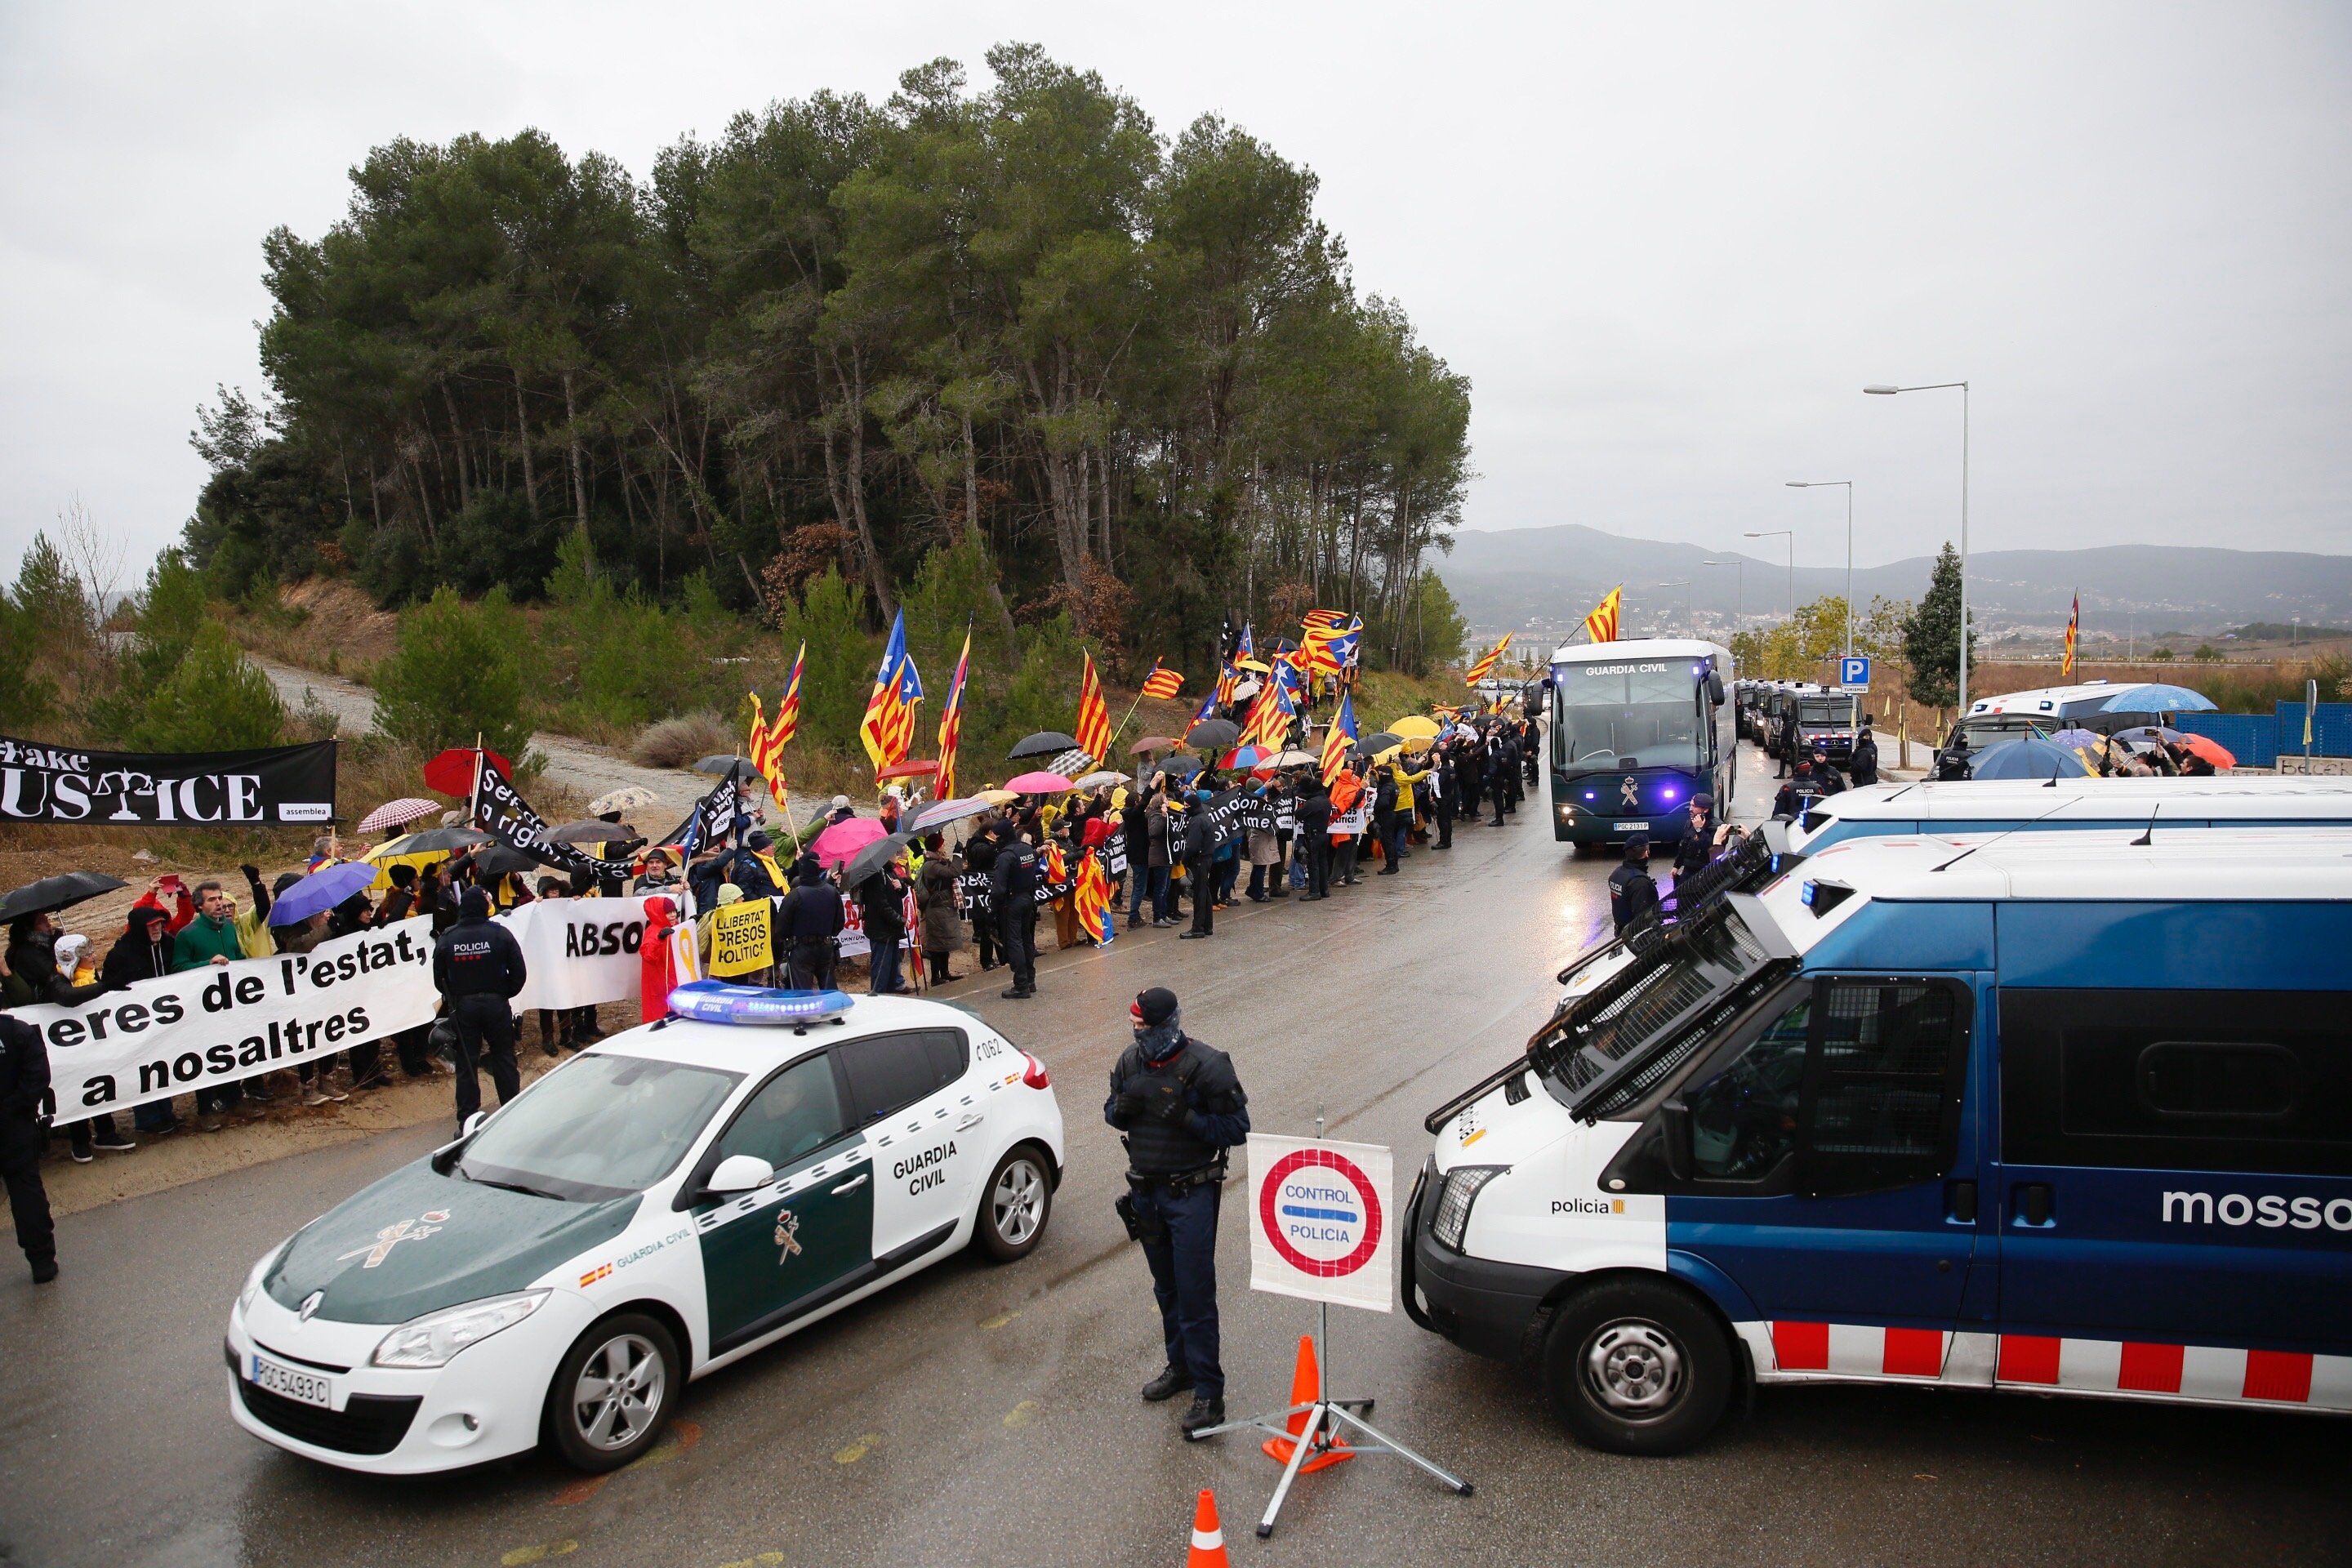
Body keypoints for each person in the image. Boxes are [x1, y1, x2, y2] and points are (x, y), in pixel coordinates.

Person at [1105, 987, 1250, 1437]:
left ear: (1167, 1025)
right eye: (1134, 1026)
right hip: (1147, 1194)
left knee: (1194, 1294)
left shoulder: (1207, 1066)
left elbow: (1238, 1128)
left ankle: (1210, 1393)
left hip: (1191, 1197)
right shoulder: (1130, 1063)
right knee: (1166, 1289)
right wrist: (1118, 1113)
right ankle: (1180, 1366)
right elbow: (1111, 1110)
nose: (1137, 1034)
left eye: (1144, 1027)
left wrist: (1189, 1120)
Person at [431, 887, 527, 1134]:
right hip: (496, 1005)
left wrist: (456, 998)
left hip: (464, 1007)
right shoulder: (500, 934)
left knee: (466, 1063)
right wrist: (503, 993)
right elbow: (519, 974)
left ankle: (467, 1120)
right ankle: (512, 1113)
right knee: (504, 1058)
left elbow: (438, 978)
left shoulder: (448, 937)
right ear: (484, 908)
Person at [0, 1013, 57, 1283]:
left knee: (27, 1194)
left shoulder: (18, 1032)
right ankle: (42, 1260)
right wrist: (13, 1108)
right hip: (16, 1126)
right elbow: (38, 1079)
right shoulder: (18, 1032)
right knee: (26, 1192)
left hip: (15, 1123)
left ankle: (43, 1261)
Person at [777, 861, 846, 990]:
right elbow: (840, 921)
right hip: (826, 946)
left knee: (802, 993)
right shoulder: (832, 892)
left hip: (802, 948)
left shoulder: (794, 896)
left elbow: (782, 926)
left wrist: (790, 938)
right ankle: (833, 1010)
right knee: (829, 989)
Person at [991, 824, 1040, 996]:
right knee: (1026, 939)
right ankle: (1030, 979)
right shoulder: (1026, 850)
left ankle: (1021, 984)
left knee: (1015, 941)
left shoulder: (1006, 856)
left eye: (996, 836)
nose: (994, 840)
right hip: (1027, 898)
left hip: (1013, 901)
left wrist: (992, 909)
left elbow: (998, 888)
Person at [915, 834, 964, 985]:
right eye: (942, 844)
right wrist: (957, 855)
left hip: (943, 908)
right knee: (937, 944)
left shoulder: (938, 862)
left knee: (944, 943)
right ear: (937, 847)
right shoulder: (932, 866)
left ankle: (945, 972)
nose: (944, 847)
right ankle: (935, 977)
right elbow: (954, 872)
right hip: (936, 909)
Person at [858, 862, 911, 995]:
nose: (897, 855)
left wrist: (901, 887)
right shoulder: (874, 876)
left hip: (892, 931)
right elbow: (881, 906)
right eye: (895, 853)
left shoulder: (890, 871)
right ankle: (877, 1000)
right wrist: (900, 920)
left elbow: (903, 892)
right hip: (881, 931)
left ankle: (890, 998)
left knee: (892, 971)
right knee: (881, 972)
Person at [1179, 795, 1217, 939]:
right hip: (1206, 858)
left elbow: (1192, 846)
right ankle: (1207, 925)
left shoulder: (1196, 821)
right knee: (1205, 893)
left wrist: (1183, 860)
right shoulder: (1204, 817)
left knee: (1200, 895)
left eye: (1187, 806)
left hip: (1199, 860)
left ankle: (1198, 927)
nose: (1184, 808)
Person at [1609, 835, 1660, 933]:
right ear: (1647, 852)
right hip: (1634, 935)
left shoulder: (1616, 873)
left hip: (1621, 930)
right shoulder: (1639, 882)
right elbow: (1642, 918)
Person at [1295, 774, 1333, 899]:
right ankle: (1324, 890)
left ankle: (1314, 891)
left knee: (1313, 864)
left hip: (1313, 835)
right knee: (1323, 863)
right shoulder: (1327, 800)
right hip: (1323, 834)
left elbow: (1299, 815)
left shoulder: (1312, 803)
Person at [1673, 795, 1717, 880]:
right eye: (1690, 805)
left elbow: (1711, 849)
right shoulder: (1690, 822)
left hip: (1706, 873)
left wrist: (1699, 830)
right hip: (1688, 871)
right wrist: (1676, 866)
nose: (1690, 809)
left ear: (1706, 809)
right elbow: (1684, 844)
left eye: (1694, 806)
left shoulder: (1716, 826)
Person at [1848, 715, 1880, 786]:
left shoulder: (1864, 751)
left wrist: (1851, 760)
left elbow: (1858, 767)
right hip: (1870, 779)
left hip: (1863, 781)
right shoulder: (1872, 747)